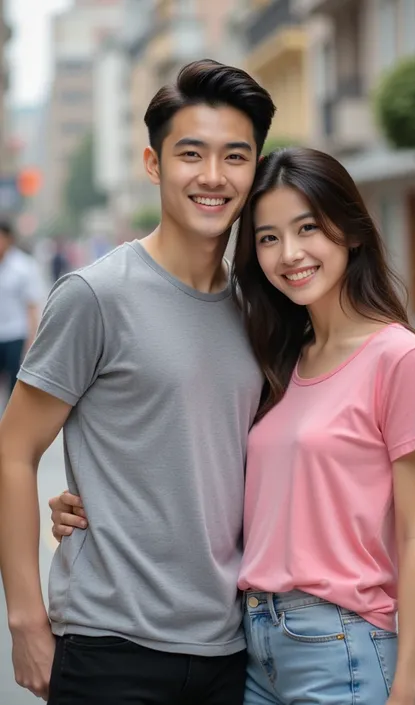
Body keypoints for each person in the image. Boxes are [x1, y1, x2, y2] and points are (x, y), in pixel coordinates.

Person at [53, 148, 415, 705]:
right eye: (267, 237)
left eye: (307, 228)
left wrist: (409, 682)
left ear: (352, 232)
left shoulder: (400, 358)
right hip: (252, 645)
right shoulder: (278, 356)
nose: (290, 254)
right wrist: (92, 499)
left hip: (342, 644)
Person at [0, 59, 275, 704]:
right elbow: (14, 450)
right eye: (191, 154)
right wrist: (25, 620)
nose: (213, 176)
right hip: (110, 648)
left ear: (256, 168)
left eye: (236, 156)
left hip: (231, 648)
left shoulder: (261, 312)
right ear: (153, 165)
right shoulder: (96, 296)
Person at [0, 221, 42, 401]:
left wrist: (32, 340)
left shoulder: (23, 266)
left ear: (9, 239)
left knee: (13, 385)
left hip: (15, 333)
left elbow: (32, 305)